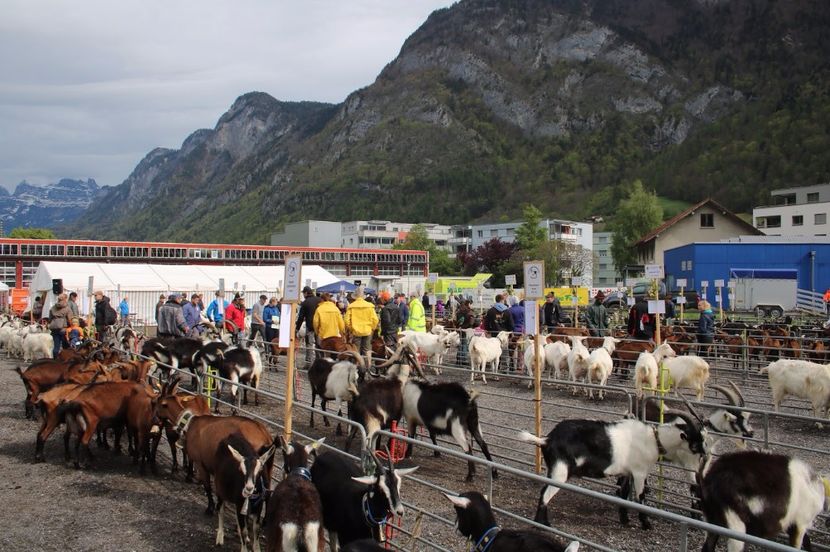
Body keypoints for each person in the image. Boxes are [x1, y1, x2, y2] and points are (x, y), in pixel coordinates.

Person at [345, 287, 379, 362]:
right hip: (367, 331)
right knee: (366, 351)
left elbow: (346, 321)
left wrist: (351, 329)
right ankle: (366, 369)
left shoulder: (351, 306)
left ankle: (357, 367)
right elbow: (375, 319)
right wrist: (372, 328)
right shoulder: (370, 306)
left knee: (356, 352)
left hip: (356, 332)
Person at [296, 287, 322, 363]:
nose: (303, 295)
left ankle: (308, 363)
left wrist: (297, 328)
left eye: (303, 293)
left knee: (309, 345)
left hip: (309, 326)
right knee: (319, 344)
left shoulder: (305, 303)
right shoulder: (319, 300)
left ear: (306, 293)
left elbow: (301, 317)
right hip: (319, 326)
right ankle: (319, 361)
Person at [48, 293, 72, 357]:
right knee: (65, 346)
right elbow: (70, 319)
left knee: (56, 346)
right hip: (63, 329)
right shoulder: (67, 308)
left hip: (54, 328)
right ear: (65, 299)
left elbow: (50, 319)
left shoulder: (53, 307)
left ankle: (55, 361)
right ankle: (65, 359)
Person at [455, 299, 476, 365]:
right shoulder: (469, 312)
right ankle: (464, 359)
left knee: (460, 344)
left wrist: (459, 327)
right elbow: (471, 322)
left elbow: (456, 321)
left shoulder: (458, 312)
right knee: (465, 345)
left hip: (459, 329)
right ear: (469, 304)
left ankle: (458, 359)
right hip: (466, 330)